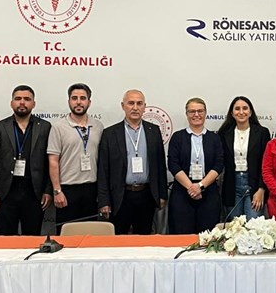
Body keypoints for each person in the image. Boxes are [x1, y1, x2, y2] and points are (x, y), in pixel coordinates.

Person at [0, 85, 53, 236]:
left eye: (27, 99)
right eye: (18, 99)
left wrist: (48, 190)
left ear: (33, 104)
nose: (22, 102)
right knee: (7, 240)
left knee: (32, 238)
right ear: (11, 103)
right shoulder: (0, 128)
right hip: (6, 194)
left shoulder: (45, 127)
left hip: (35, 194)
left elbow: (51, 162)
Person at [97, 89, 167, 235]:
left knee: (144, 239)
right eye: (131, 103)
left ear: (144, 107)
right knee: (119, 240)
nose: (135, 108)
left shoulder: (153, 131)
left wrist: (162, 194)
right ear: (123, 106)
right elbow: (103, 170)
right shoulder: (110, 133)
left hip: (146, 195)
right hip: (120, 197)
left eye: (139, 103)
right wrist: (104, 201)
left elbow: (160, 165)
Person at [48, 83, 102, 226]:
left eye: (83, 98)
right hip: (67, 190)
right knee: (66, 234)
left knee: (90, 234)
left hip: (92, 189)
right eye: (74, 98)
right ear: (69, 101)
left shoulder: (98, 126)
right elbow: (53, 161)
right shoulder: (58, 127)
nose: (78, 102)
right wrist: (57, 191)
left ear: (89, 102)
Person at [168, 98, 224, 233]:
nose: (196, 114)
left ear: (205, 113)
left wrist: (200, 186)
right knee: (182, 235)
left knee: (208, 237)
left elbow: (218, 164)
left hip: (208, 193)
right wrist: (191, 188)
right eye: (192, 111)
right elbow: (173, 164)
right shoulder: (177, 137)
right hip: (182, 192)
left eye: (200, 111)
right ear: (186, 114)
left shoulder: (214, 138)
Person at [217, 96, 271, 220]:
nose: (241, 112)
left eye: (245, 108)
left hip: (254, 185)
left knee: (254, 225)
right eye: (237, 109)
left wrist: (262, 189)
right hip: (232, 185)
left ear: (250, 112)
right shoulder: (224, 134)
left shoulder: (262, 133)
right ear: (232, 113)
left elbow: (266, 163)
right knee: (235, 226)